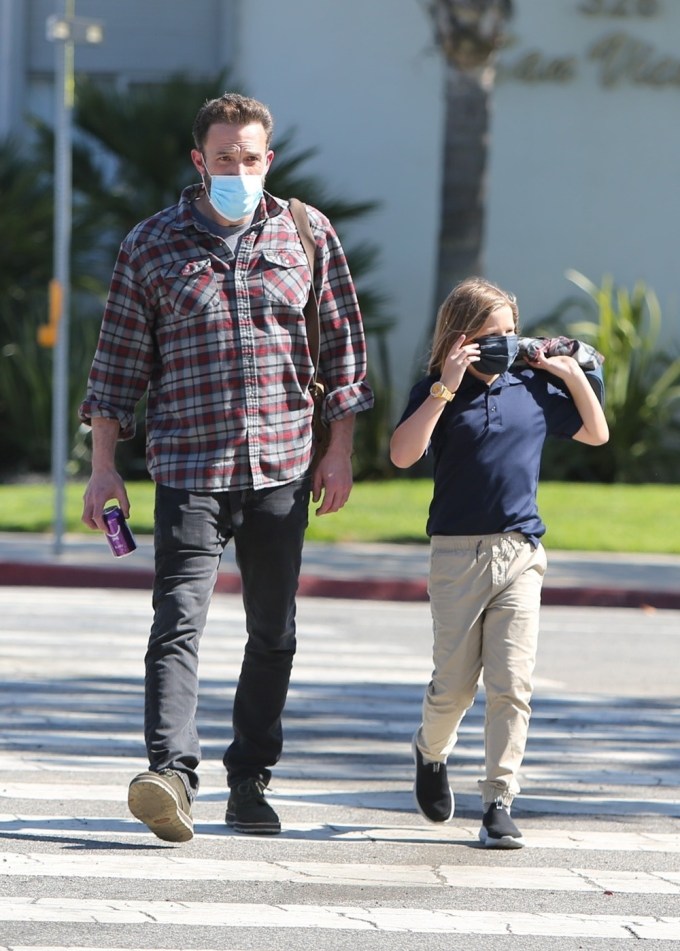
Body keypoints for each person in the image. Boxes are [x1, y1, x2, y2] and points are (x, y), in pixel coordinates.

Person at [79, 92, 373, 842]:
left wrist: (338, 452)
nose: (236, 169)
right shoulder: (152, 244)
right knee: (177, 622)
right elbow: (115, 367)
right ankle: (172, 774)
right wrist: (104, 467)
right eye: (222, 158)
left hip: (282, 466)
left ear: (266, 159)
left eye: (249, 158)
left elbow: (342, 352)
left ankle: (250, 779)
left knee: (273, 630)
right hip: (189, 467)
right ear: (198, 161)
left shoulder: (307, 235)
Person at [389, 277, 608, 849]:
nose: (506, 344)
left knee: (513, 683)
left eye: (511, 332)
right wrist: (445, 386)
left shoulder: (532, 387)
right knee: (455, 689)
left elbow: (596, 433)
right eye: (492, 335)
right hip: (457, 555)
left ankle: (498, 801)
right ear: (460, 338)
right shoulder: (436, 390)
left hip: (520, 554)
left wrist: (570, 374)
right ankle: (430, 751)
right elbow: (403, 454)